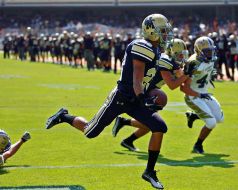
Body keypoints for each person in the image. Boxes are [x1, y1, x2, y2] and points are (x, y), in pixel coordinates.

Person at [45, 14, 173, 189]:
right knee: (90, 132)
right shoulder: (142, 46)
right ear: (151, 31)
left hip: (136, 100)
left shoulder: (157, 50)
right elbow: (137, 77)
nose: (167, 35)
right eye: (163, 31)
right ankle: (64, 116)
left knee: (159, 127)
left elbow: (148, 80)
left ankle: (149, 171)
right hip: (121, 97)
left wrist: (153, 94)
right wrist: (143, 98)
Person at [111, 38, 190, 151]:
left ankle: (128, 139)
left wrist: (187, 74)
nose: (182, 57)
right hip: (144, 92)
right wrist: (187, 74)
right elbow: (172, 85)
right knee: (153, 122)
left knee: (151, 124)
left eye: (183, 55)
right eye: (180, 55)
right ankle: (125, 126)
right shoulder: (165, 61)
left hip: (150, 90)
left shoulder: (173, 63)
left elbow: (183, 82)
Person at [180, 36, 224, 154]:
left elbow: (207, 73)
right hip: (193, 96)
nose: (211, 53)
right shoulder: (193, 63)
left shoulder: (210, 60)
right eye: (207, 51)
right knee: (211, 122)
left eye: (211, 50)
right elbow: (183, 88)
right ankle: (197, 145)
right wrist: (199, 95)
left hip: (204, 93)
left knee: (220, 118)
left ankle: (194, 116)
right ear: (199, 50)